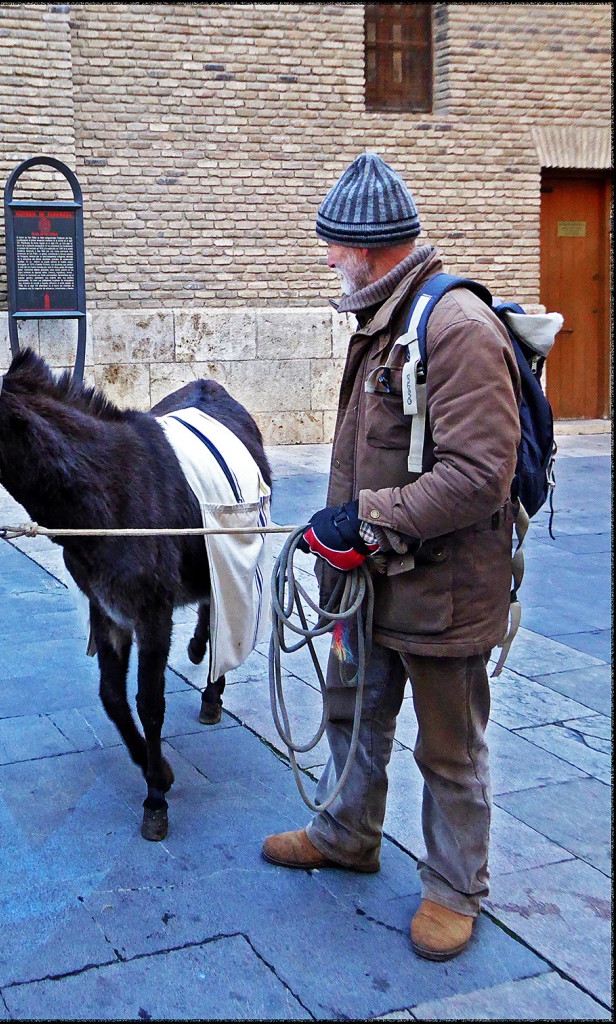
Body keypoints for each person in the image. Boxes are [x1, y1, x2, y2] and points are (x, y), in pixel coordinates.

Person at [262, 153, 521, 962]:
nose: (327, 261)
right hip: (368, 587)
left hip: (445, 595)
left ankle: (453, 891)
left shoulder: (455, 328)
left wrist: (364, 517)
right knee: (351, 713)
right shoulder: (383, 322)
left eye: (333, 248)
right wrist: (341, 532)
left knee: (448, 748)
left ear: (367, 250)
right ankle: (346, 834)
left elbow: (481, 475)